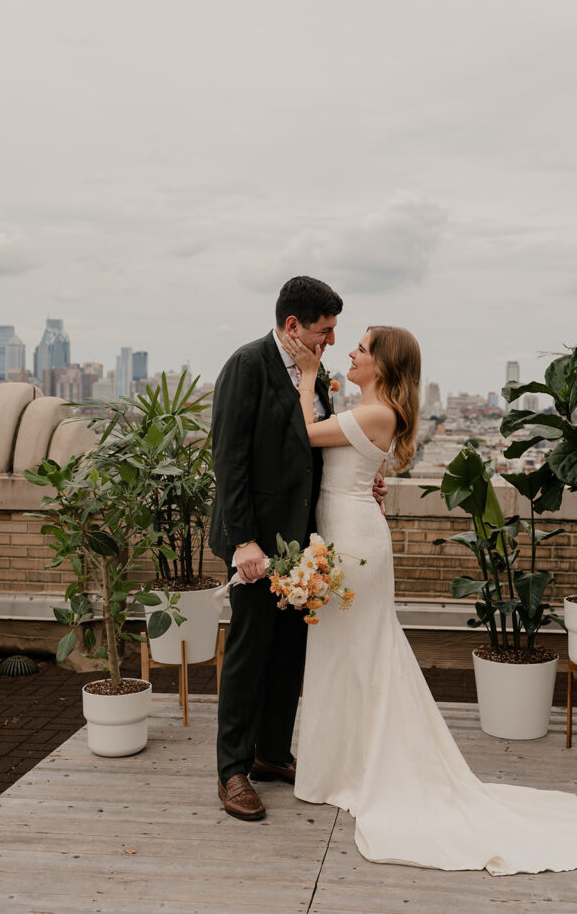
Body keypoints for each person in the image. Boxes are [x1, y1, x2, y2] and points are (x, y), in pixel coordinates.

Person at [282, 325, 577, 876]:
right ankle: (345, 765)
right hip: (344, 532)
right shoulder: (368, 408)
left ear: (385, 365)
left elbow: (303, 434)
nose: (351, 351)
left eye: (362, 348)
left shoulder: (376, 413)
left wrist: (305, 377)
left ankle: (353, 768)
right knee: (346, 656)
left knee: (358, 655)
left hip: (352, 544)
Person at [209, 276, 386, 821]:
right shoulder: (247, 365)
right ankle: (232, 770)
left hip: (304, 544)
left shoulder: (320, 377)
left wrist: (367, 480)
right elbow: (229, 458)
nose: (331, 341)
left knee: (289, 651)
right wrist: (243, 540)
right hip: (257, 544)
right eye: (324, 331)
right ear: (293, 326)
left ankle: (270, 752)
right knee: (249, 650)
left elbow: (320, 449)